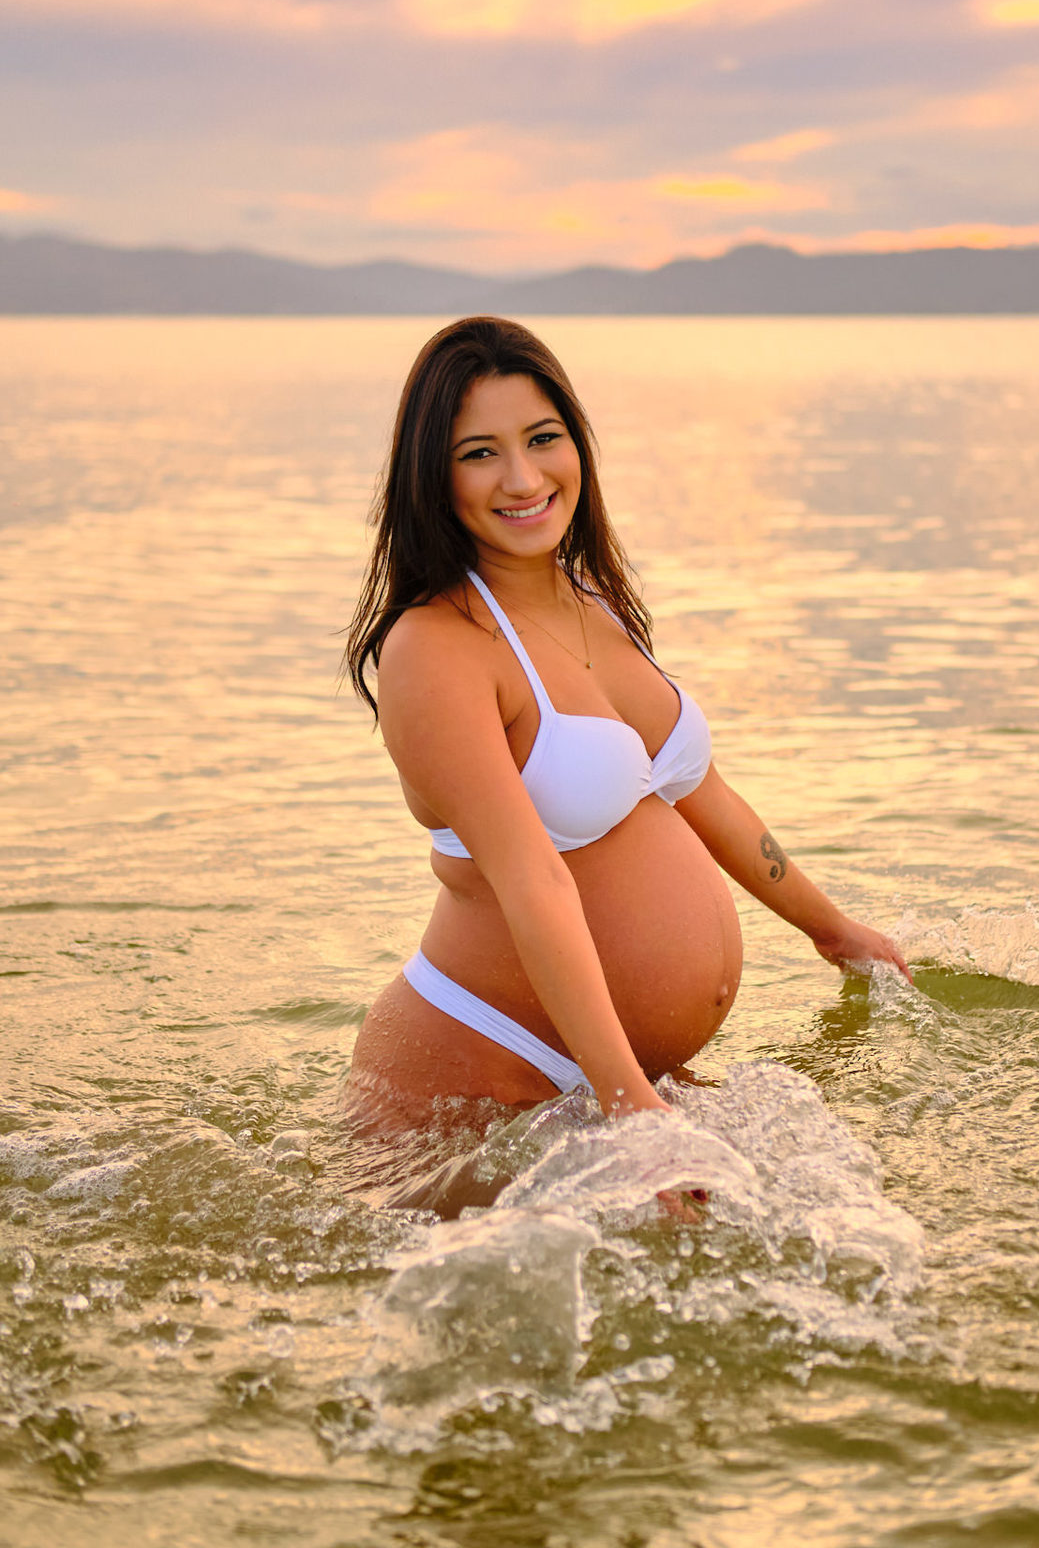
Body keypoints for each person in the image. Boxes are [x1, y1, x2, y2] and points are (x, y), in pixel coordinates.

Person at [343, 316, 911, 1139]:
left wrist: (834, 931)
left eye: (543, 438)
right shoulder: (436, 648)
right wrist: (628, 1104)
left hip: (613, 1076)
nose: (522, 476)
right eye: (479, 453)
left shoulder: (593, 605)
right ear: (433, 477)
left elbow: (703, 795)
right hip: (480, 1083)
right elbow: (532, 879)